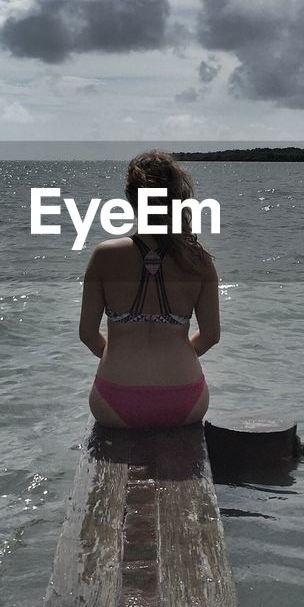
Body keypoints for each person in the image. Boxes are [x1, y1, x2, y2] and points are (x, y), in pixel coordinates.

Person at [79, 150, 220, 428]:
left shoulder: (104, 256)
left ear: (131, 200)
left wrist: (117, 354)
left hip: (115, 400)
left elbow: (87, 334)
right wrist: (176, 353)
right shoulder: (199, 261)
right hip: (184, 399)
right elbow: (211, 336)